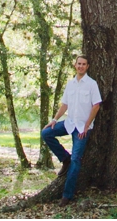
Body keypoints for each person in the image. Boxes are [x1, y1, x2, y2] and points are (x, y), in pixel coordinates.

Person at [42, 55, 102, 205]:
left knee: (76, 159)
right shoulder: (70, 84)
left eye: (84, 64)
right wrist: (55, 120)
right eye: (79, 64)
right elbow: (64, 105)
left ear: (87, 66)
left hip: (83, 127)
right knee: (46, 133)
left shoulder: (92, 84)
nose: (81, 66)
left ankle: (67, 195)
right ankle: (64, 158)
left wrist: (87, 125)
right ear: (75, 65)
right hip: (69, 123)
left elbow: (96, 106)